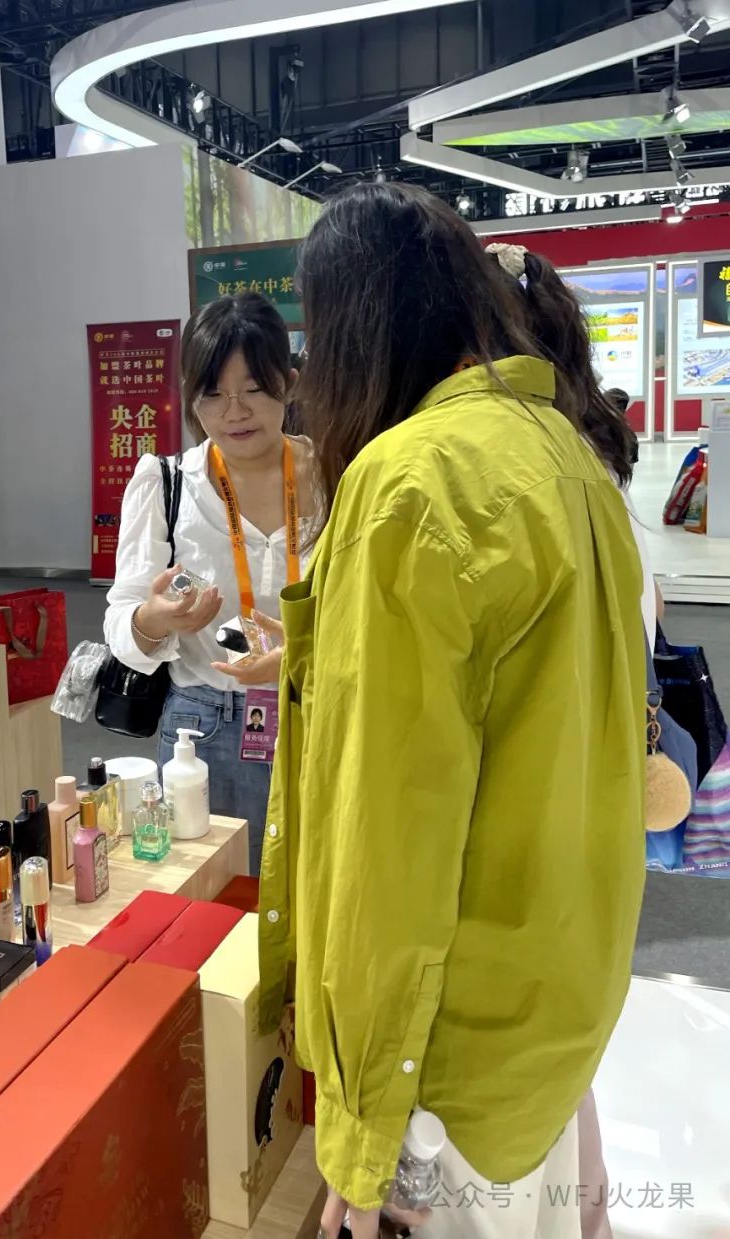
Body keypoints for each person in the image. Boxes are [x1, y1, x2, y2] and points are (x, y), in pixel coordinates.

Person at [257, 185, 647, 1239]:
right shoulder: (566, 453)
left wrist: (363, 1127)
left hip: (447, 1058)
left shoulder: (410, 487)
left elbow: (387, 845)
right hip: (553, 999)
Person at [104, 292, 315, 873]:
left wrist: (303, 654)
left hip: (315, 709)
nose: (235, 412)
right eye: (214, 394)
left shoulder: (337, 474)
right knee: (217, 897)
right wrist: (154, 620)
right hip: (204, 727)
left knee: (318, 891)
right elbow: (123, 616)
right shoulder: (167, 483)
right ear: (190, 397)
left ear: (289, 382)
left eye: (255, 388)